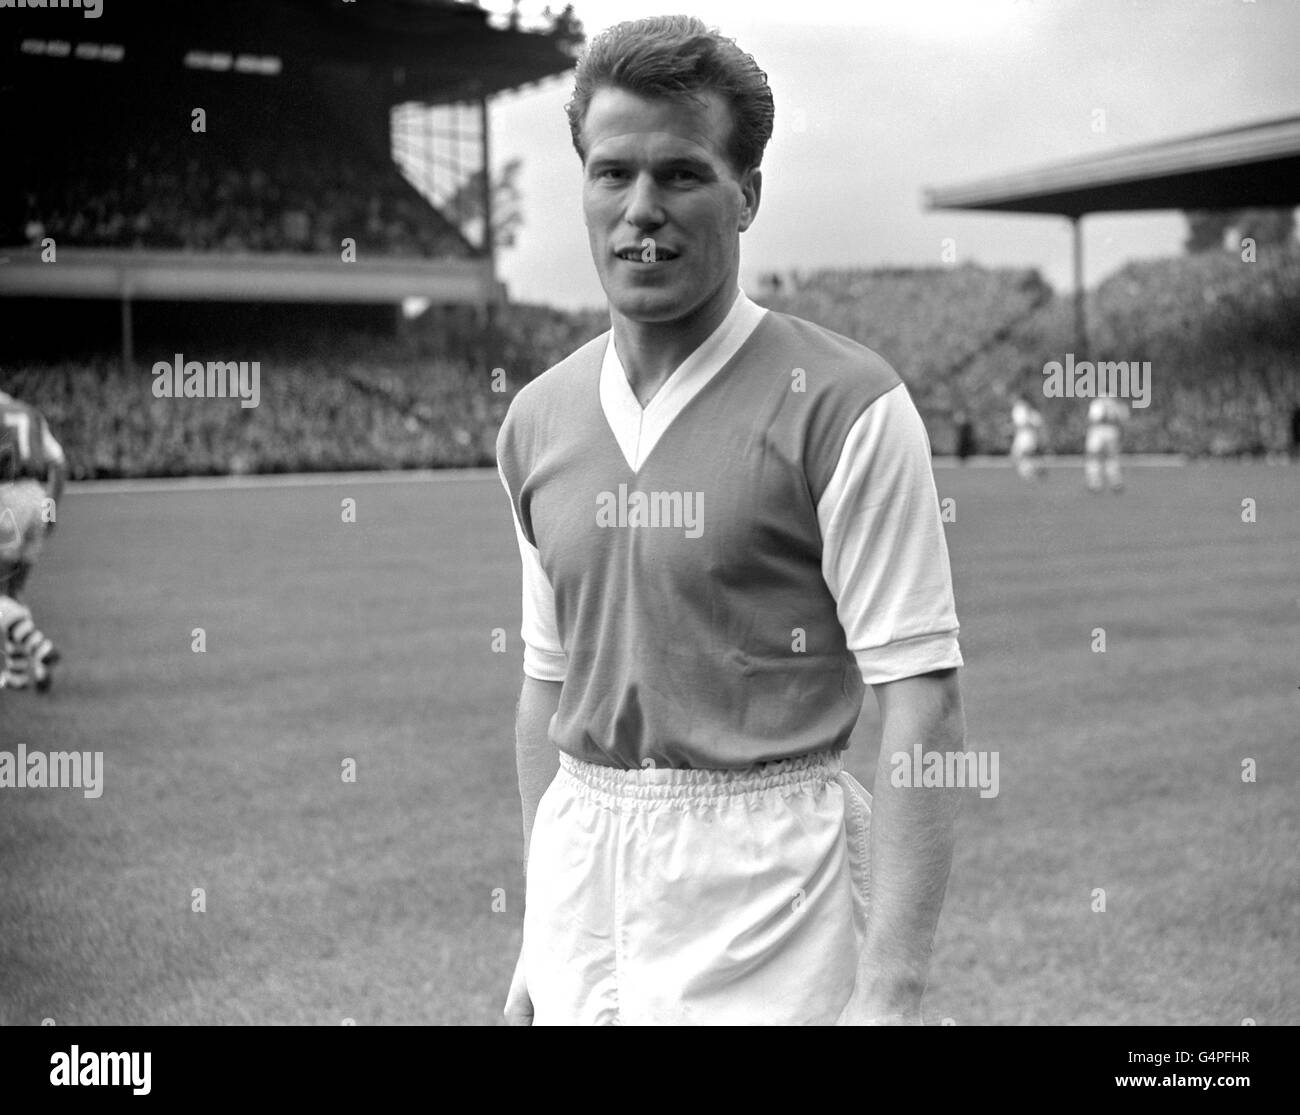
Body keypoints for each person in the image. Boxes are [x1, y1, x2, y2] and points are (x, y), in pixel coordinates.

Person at [495, 15, 965, 1026]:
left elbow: (921, 696)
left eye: (681, 174)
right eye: (611, 173)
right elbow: (545, 690)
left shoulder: (848, 404)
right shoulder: (536, 419)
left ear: (746, 194)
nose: (640, 211)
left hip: (769, 887)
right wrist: (541, 933)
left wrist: (888, 986)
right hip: (583, 868)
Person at [0, 388, 65, 692]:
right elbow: (59, 464)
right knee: (14, 592)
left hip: (6, 500)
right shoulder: (29, 412)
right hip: (38, 498)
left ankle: (39, 649)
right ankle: (20, 674)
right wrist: (50, 510)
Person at [1084, 392, 1128, 492]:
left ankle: (1094, 482)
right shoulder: (1116, 402)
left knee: (1093, 457)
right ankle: (1116, 482)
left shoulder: (1097, 402)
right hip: (1112, 431)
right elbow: (1123, 419)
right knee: (1112, 457)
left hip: (1097, 431)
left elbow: (1093, 418)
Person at [1009, 394, 1045, 480]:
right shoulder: (1023, 411)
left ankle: (1031, 472)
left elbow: (1032, 424)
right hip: (1022, 436)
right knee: (1019, 456)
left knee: (1023, 456)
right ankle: (1033, 471)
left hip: (1026, 437)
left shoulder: (1029, 412)